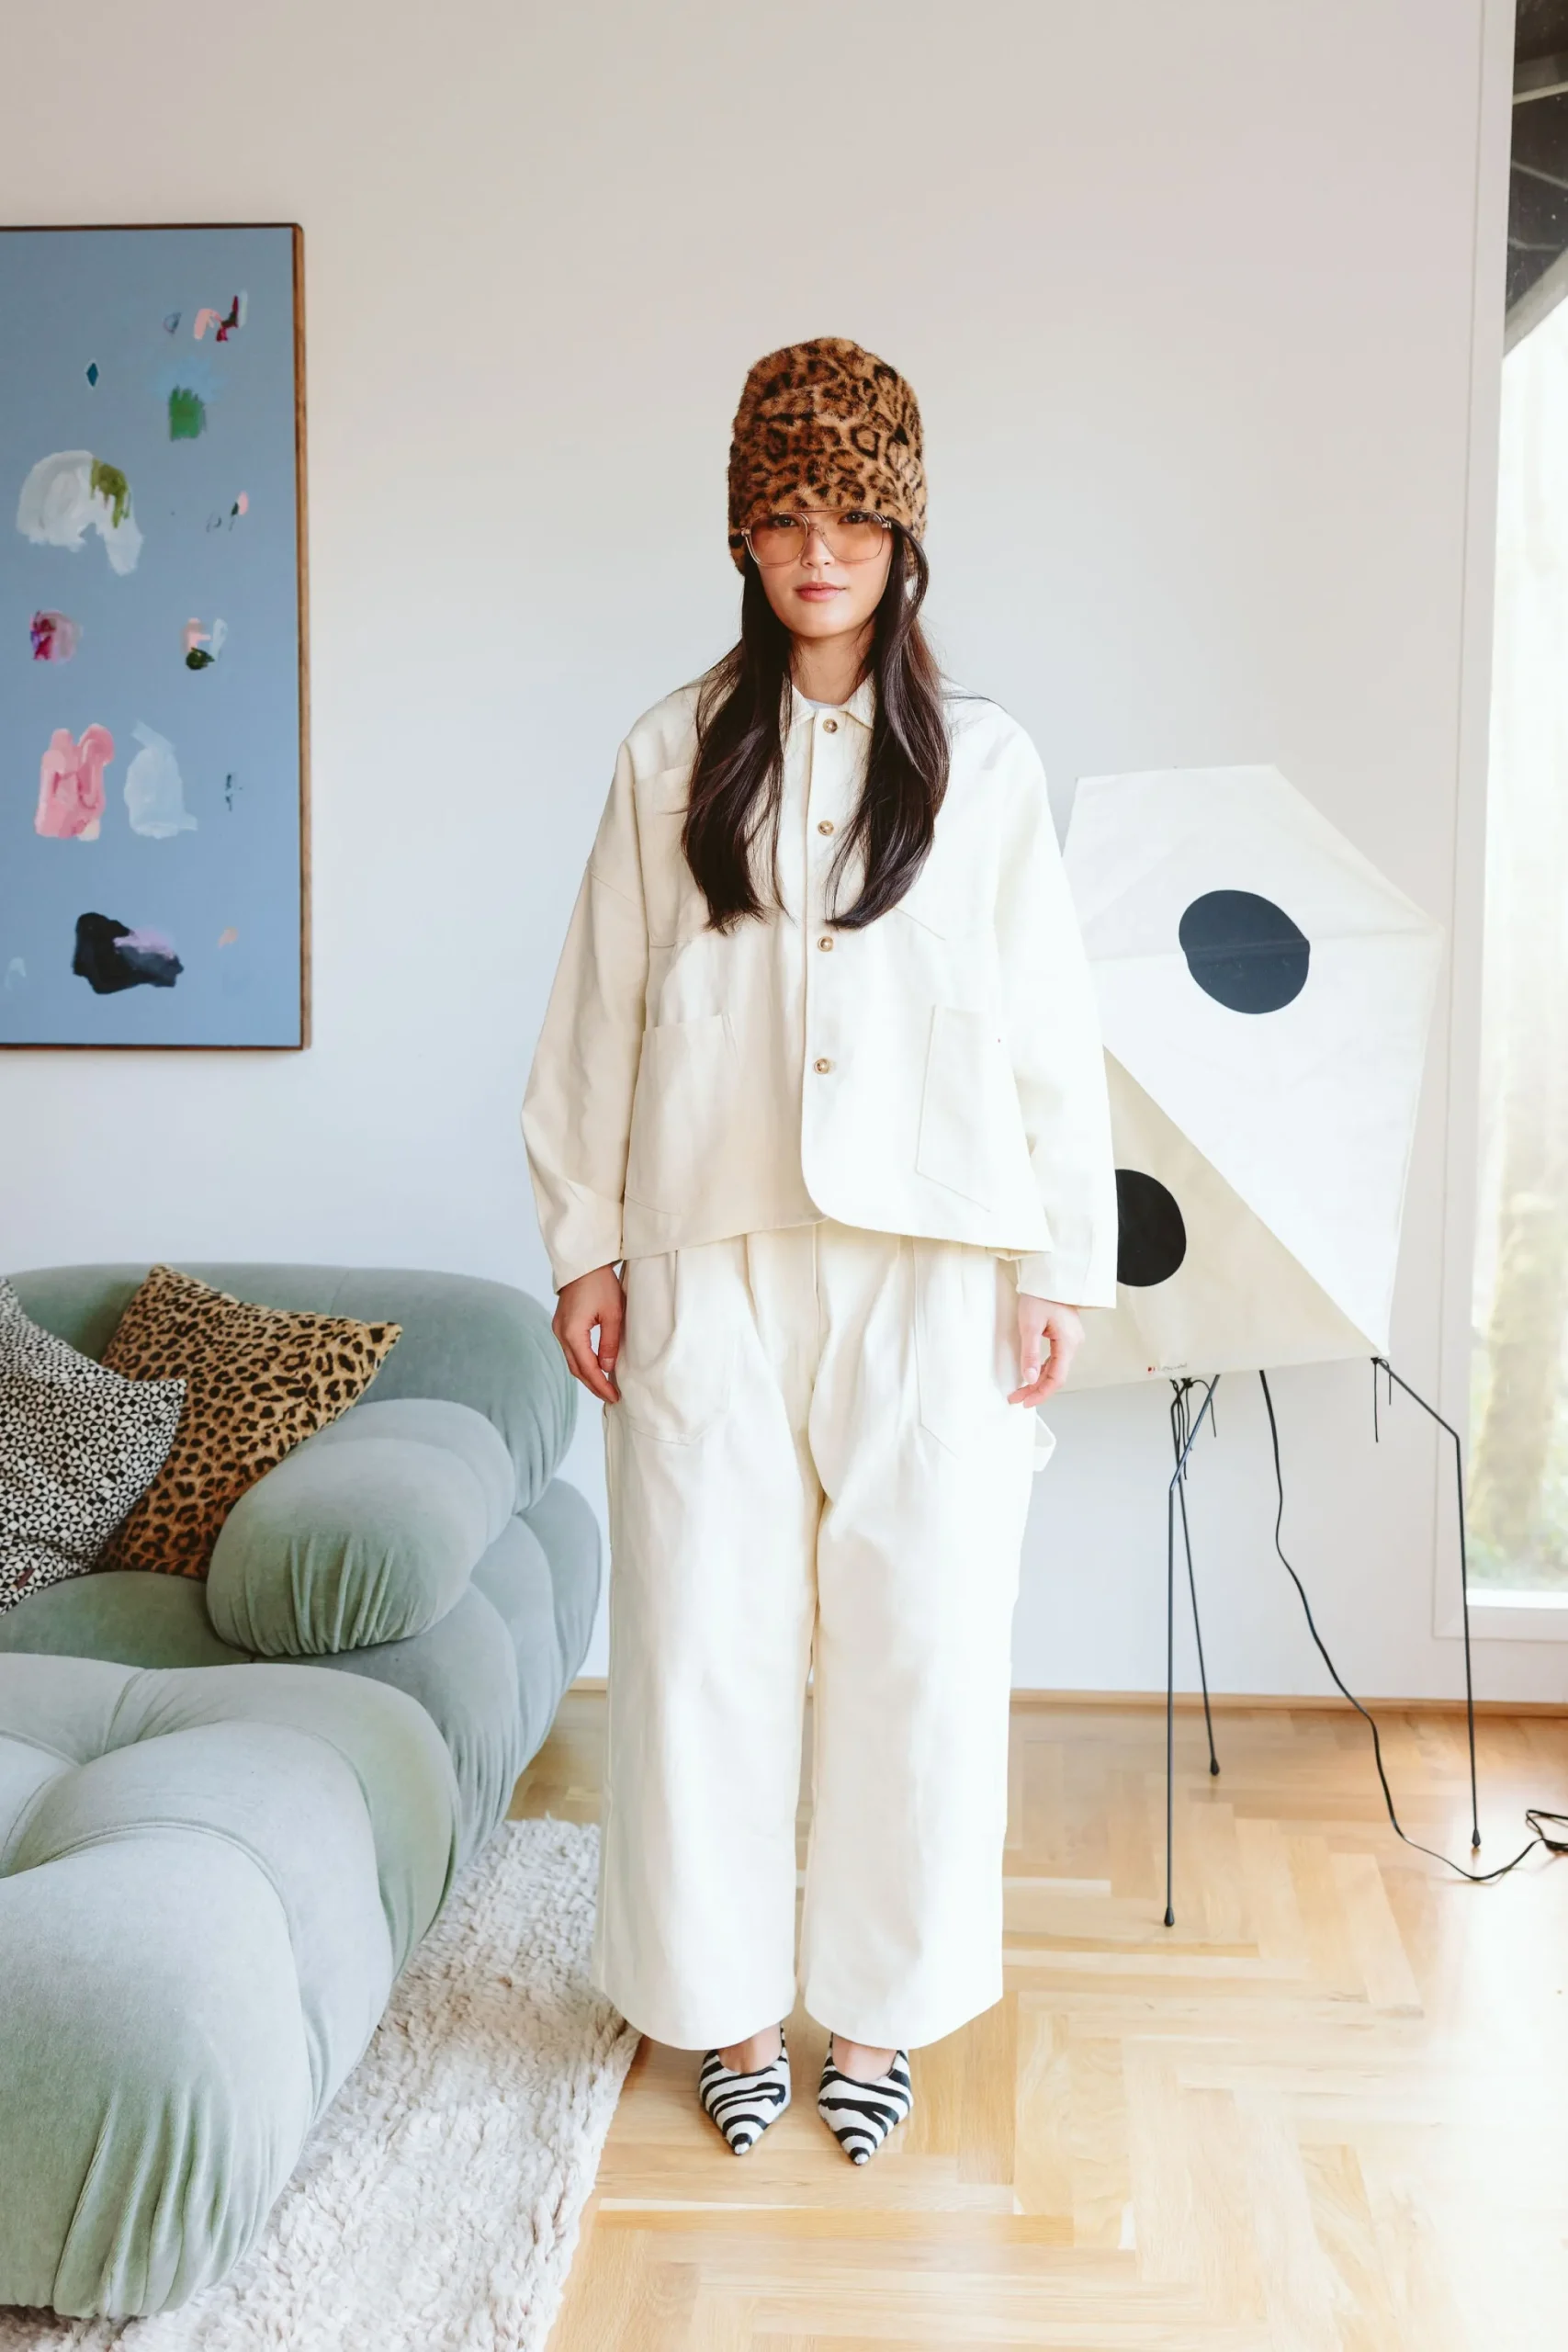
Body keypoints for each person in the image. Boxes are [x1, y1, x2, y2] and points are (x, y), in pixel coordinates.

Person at [524, 335, 1116, 2165]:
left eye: (851, 512)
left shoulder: (986, 764)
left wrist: (1059, 1261)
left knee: (919, 1638)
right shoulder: (669, 750)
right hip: (707, 1251)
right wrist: (586, 1243)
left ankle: (876, 2010)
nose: (818, 548)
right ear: (741, 532)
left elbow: (1047, 1025)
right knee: (700, 1635)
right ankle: (717, 2005)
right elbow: (598, 1012)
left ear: (902, 529)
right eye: (783, 513)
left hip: (933, 1261)